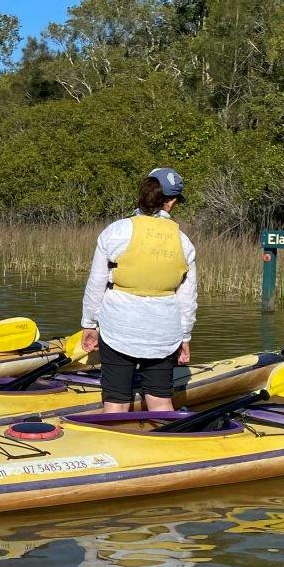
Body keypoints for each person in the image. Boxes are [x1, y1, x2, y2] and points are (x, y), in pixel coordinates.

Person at [80, 167, 197, 414]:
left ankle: (113, 448)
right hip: (163, 333)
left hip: (118, 329)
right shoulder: (184, 242)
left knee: (116, 403)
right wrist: (184, 338)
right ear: (171, 202)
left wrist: (89, 325)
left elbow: (96, 283)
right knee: (160, 401)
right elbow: (187, 300)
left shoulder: (116, 231)